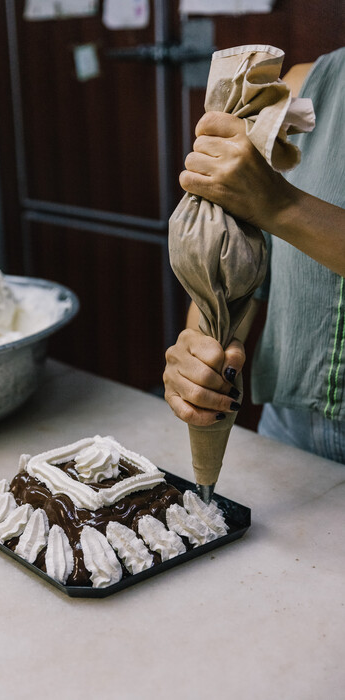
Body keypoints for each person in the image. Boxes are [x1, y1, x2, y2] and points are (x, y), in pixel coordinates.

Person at [163, 47, 345, 463]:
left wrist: (281, 206)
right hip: (287, 432)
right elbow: (237, 260)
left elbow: (268, 207)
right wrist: (199, 356)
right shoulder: (299, 90)